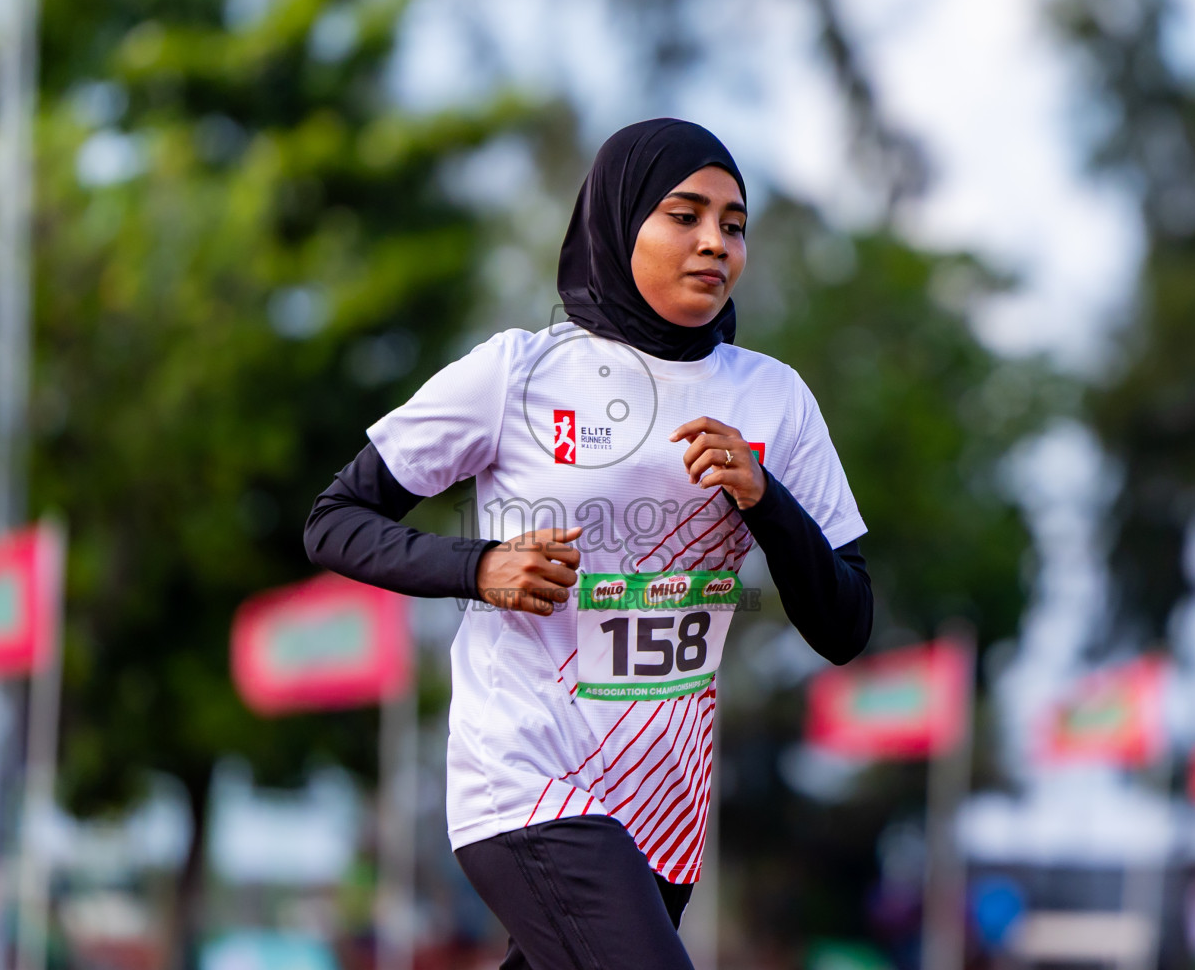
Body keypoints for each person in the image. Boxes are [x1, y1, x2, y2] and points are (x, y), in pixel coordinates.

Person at [305, 117, 873, 969]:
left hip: (663, 809)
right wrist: (482, 568)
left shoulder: (774, 400)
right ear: (618, 220)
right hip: (526, 780)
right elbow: (335, 520)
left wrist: (764, 498)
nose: (715, 242)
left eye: (734, 223)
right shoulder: (519, 372)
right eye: (684, 216)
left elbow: (846, 622)